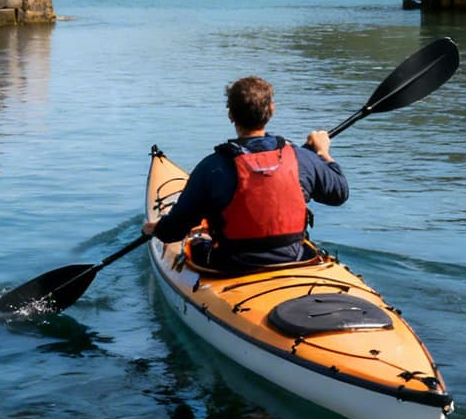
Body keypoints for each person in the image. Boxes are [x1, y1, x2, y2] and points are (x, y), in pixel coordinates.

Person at [144, 76, 347, 272]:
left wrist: (155, 229)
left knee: (196, 242)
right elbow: (339, 194)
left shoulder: (212, 167)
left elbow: (173, 232)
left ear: (230, 114)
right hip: (294, 258)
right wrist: (323, 153)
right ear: (272, 110)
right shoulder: (301, 158)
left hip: (233, 264)